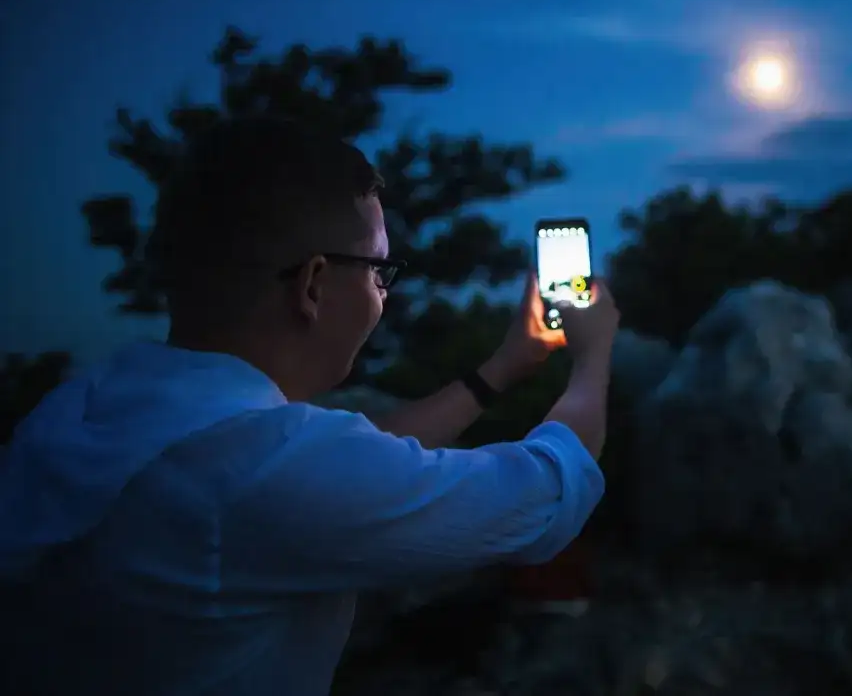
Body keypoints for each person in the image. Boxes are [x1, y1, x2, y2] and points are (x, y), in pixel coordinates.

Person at [0, 118, 619, 696]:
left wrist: (503, 368)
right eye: (379, 271)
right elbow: (545, 492)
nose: (383, 295)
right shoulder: (256, 474)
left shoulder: (87, 407)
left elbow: (360, 456)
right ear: (314, 284)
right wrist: (593, 355)